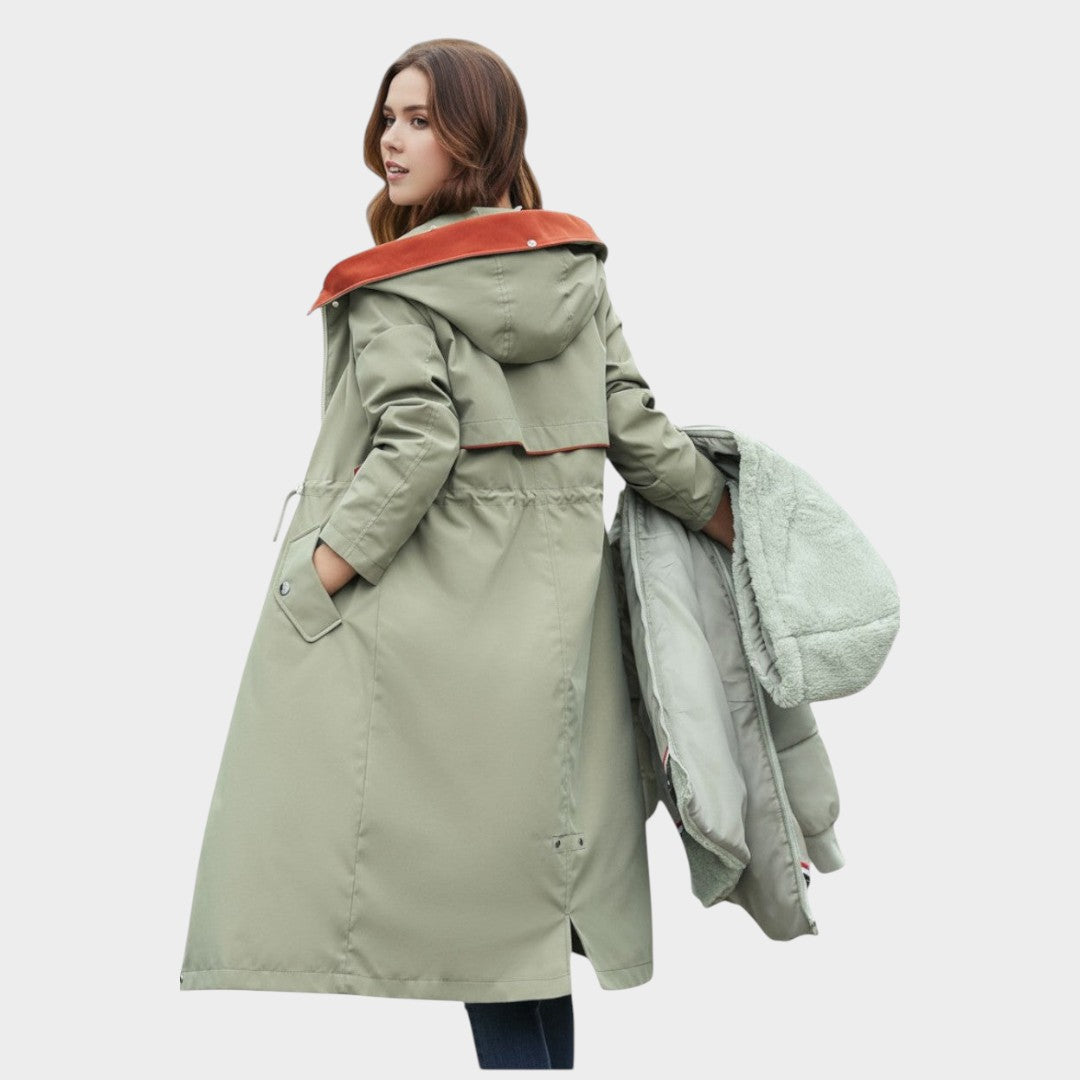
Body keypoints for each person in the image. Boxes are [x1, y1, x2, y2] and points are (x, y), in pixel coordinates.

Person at [179, 37, 734, 1072]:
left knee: (459, 920)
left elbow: (418, 443)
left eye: (421, 120)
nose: (391, 140)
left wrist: (317, 578)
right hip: (559, 653)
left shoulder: (393, 286)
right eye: (389, 117)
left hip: (438, 653)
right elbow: (638, 431)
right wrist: (733, 524)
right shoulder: (576, 272)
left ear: (477, 136)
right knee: (526, 930)